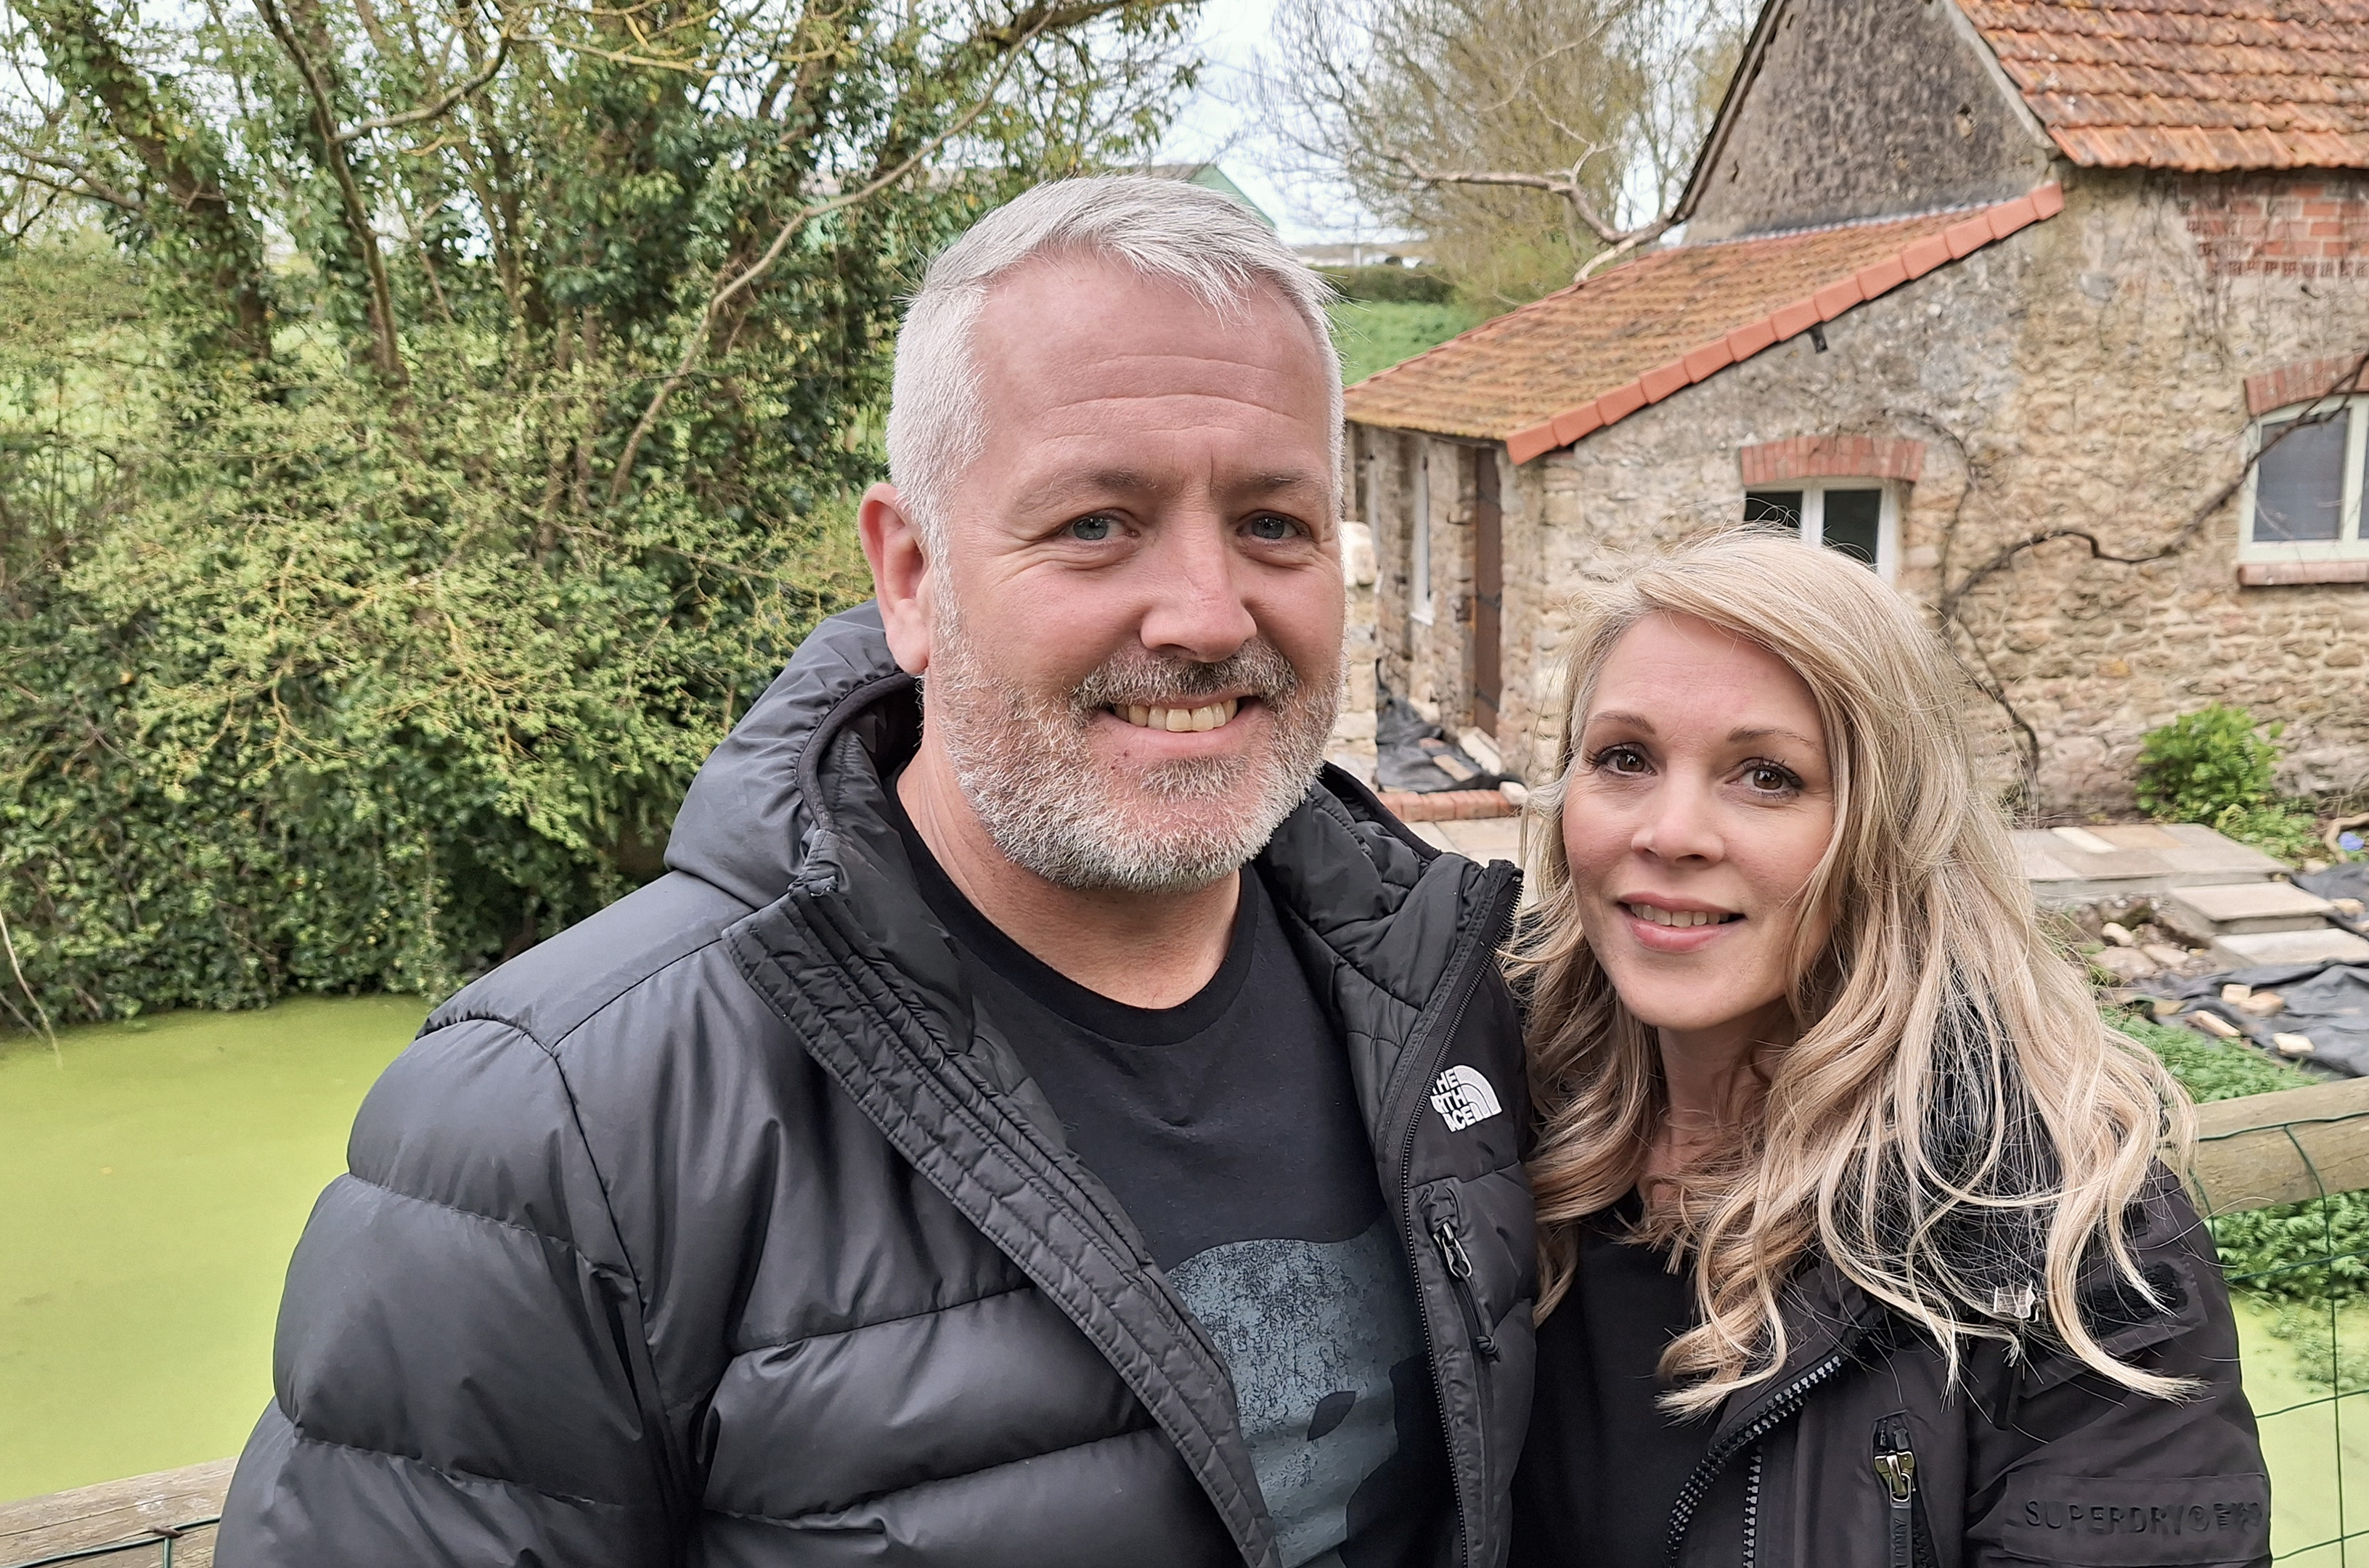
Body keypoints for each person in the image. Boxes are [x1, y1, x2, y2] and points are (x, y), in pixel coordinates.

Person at [221, 176, 1536, 1568]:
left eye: (1274, 524)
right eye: (1096, 523)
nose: (1208, 617)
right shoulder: (557, 1137)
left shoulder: (1461, 997)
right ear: (911, 574)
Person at [1505, 534, 2268, 1568]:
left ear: (1892, 827)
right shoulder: (1476, 1108)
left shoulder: (2060, 1242)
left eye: (1768, 776)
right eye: (1624, 758)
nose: (1672, 831)